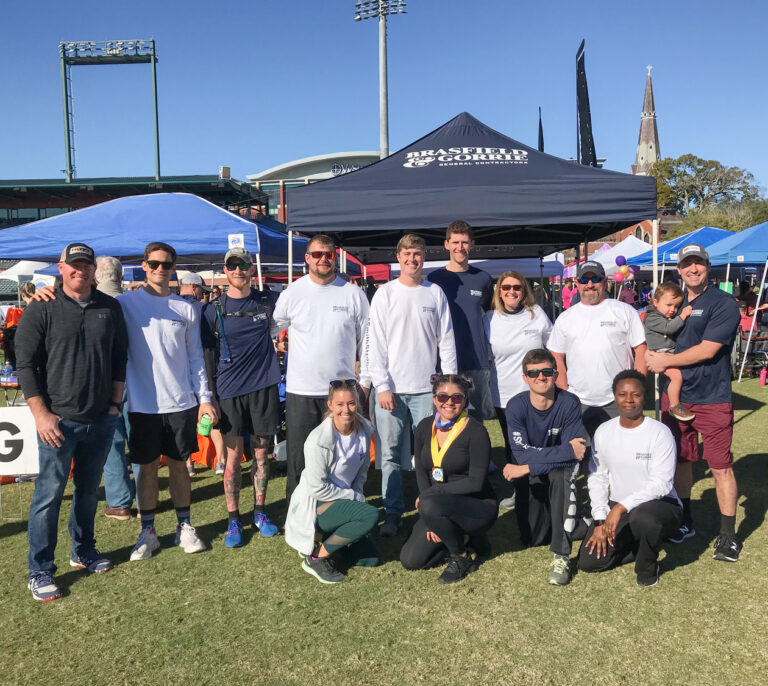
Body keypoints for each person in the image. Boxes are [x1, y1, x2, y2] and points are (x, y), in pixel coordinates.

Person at [16, 243, 128, 601]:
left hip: (100, 418)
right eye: (74, 265)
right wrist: (40, 413)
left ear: (95, 270)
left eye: (86, 265)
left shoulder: (109, 307)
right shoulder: (43, 306)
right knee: (48, 496)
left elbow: (118, 359)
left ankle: (83, 549)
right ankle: (40, 569)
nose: (80, 270)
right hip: (57, 421)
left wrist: (113, 405)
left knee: (87, 492)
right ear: (61, 269)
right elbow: (25, 364)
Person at [117, 242, 217, 561]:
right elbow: (89, 304)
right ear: (144, 265)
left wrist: (204, 398)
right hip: (143, 406)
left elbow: (195, 359)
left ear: (174, 268)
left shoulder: (186, 308)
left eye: (167, 264)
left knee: (179, 467)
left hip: (181, 403)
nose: (161, 269)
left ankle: (184, 526)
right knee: (146, 469)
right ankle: (148, 532)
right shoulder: (125, 304)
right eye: (155, 263)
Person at [646, 243, 741, 561]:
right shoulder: (672, 299)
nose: (693, 268)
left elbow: (708, 349)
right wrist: (648, 353)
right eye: (687, 264)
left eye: (698, 262)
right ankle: (685, 521)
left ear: (708, 266)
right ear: (679, 269)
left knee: (720, 467)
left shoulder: (723, 303)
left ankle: (728, 536)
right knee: (681, 462)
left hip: (712, 397)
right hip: (676, 398)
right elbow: (649, 327)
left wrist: (662, 362)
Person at [365, 233, 457, 536]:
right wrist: (382, 385)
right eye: (406, 254)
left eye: (417, 254)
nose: (412, 259)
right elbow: (374, 343)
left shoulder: (435, 293)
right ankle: (393, 513)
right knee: (390, 454)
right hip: (391, 390)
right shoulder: (385, 294)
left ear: (424, 257)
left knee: (432, 454)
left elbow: (446, 341)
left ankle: (433, 508)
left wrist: (450, 384)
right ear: (398, 257)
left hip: (426, 390)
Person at [273, 234, 369, 502]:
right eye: (317, 254)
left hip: (342, 392)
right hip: (301, 390)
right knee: (300, 457)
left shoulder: (353, 293)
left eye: (328, 254)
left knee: (342, 454)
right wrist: (278, 343)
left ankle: (340, 506)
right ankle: (298, 511)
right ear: (307, 259)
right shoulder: (292, 292)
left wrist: (366, 380)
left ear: (335, 257)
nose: (323, 259)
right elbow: (273, 327)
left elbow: (369, 339)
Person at [201, 247, 281, 546]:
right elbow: (206, 356)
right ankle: (233, 519)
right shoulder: (212, 310)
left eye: (243, 266)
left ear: (251, 269)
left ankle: (260, 512)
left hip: (264, 387)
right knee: (233, 458)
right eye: (232, 266)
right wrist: (208, 396)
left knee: (261, 454)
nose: (238, 271)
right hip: (229, 391)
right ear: (225, 270)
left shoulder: (268, 300)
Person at [577, 370, 683, 587]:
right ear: (614, 396)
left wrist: (619, 509)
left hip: (659, 505)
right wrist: (599, 518)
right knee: (589, 562)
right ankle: (641, 543)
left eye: (636, 395)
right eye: (622, 394)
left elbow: (661, 483)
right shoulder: (604, 431)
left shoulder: (659, 433)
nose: (629, 401)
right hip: (619, 506)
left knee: (643, 518)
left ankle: (647, 568)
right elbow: (597, 476)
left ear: (644, 397)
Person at [400, 374, 496, 584]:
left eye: (457, 397)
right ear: (434, 399)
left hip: (475, 504)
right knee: (410, 560)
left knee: (431, 506)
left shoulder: (476, 431)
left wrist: (430, 498)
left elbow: (475, 482)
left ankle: (461, 557)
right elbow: (421, 472)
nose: (449, 402)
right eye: (442, 397)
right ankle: (458, 536)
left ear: (465, 400)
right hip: (435, 505)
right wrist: (430, 513)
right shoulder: (425, 427)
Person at [503, 349, 586, 585]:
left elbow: (575, 455)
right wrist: (564, 450)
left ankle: (562, 556)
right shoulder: (515, 406)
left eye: (547, 371)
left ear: (556, 373)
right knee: (534, 537)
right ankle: (582, 524)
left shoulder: (569, 402)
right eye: (534, 373)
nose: (541, 377)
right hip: (534, 470)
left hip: (556, 469)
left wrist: (529, 467)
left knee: (561, 475)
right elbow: (521, 454)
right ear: (525, 378)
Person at [285, 379, 379, 584]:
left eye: (351, 403)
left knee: (370, 559)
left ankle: (333, 539)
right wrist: (353, 498)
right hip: (316, 503)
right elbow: (316, 488)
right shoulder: (318, 440)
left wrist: (355, 498)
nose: (347, 409)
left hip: (342, 499)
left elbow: (361, 475)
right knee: (370, 515)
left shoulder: (365, 430)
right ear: (330, 405)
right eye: (340, 404)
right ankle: (316, 557)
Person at [548, 260, 647, 441]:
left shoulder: (624, 311)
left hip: (619, 399)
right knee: (582, 453)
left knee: (621, 451)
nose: (590, 285)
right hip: (579, 399)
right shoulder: (565, 318)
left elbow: (640, 349)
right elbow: (557, 356)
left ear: (605, 281)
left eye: (595, 279)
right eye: (584, 281)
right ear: (577, 283)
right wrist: (566, 393)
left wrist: (637, 388)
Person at [483, 271, 553, 509]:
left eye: (517, 287)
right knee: (514, 445)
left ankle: (542, 491)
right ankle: (520, 492)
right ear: (499, 292)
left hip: (537, 393)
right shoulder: (489, 319)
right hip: (502, 395)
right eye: (506, 288)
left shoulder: (537, 315)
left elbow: (554, 348)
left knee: (539, 443)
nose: (511, 291)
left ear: (525, 291)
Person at [426, 220, 494, 420]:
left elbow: (489, 313)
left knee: (478, 418)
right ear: (446, 245)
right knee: (444, 416)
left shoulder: (483, 278)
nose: (459, 247)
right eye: (455, 242)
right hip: (442, 362)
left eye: (464, 242)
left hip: (476, 361)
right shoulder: (434, 279)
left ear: (472, 245)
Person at [94, 256, 135, 521]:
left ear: (97, 277)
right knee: (141, 442)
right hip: (136, 379)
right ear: (120, 277)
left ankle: (119, 502)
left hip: (103, 382)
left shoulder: (92, 304)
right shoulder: (133, 303)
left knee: (111, 443)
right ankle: (146, 498)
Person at [644, 282, 694, 422]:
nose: (673, 309)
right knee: (677, 377)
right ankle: (675, 405)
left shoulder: (663, 315)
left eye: (677, 306)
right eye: (669, 305)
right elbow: (669, 328)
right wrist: (683, 315)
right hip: (660, 354)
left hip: (667, 352)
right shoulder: (651, 317)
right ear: (655, 302)